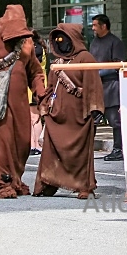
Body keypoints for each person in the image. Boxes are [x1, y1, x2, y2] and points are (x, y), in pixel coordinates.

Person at [0, 5, 46, 198]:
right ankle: (1, 182)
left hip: (20, 102)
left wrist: (40, 91)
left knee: (22, 142)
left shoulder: (26, 41)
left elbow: (35, 71)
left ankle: (15, 179)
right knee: (0, 143)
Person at [34, 23, 103, 199]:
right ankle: (49, 182)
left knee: (80, 154)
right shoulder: (57, 62)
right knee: (51, 151)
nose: (60, 44)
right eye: (57, 40)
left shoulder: (85, 58)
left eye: (63, 40)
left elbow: (93, 85)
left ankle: (83, 186)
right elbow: (50, 87)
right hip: (56, 116)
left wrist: (95, 109)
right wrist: (44, 104)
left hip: (78, 117)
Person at [90, 14, 125, 162]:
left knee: (114, 120)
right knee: (91, 119)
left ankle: (118, 149)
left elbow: (118, 64)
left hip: (111, 86)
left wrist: (100, 72)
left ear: (104, 26)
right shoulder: (93, 43)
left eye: (95, 25)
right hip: (96, 87)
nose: (93, 28)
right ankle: (86, 149)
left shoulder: (115, 42)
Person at [29, 29, 47, 156]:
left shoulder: (35, 49)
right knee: (34, 116)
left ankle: (34, 145)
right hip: (38, 84)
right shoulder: (39, 47)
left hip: (34, 85)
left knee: (33, 116)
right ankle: (34, 144)